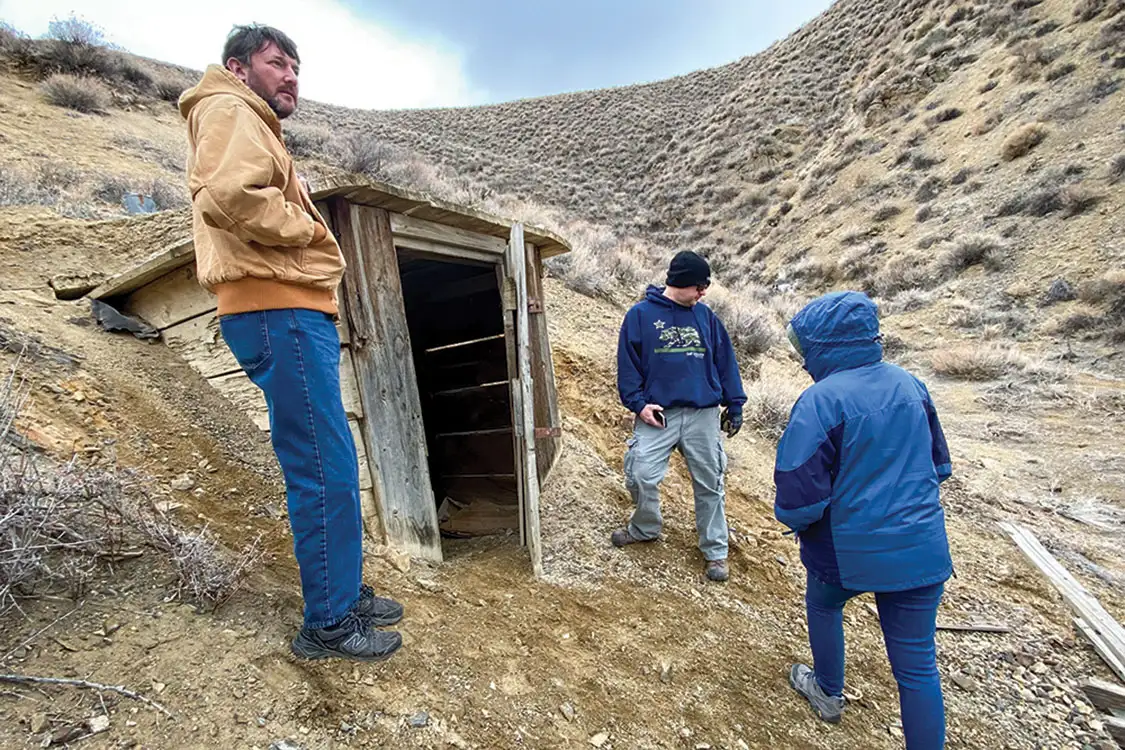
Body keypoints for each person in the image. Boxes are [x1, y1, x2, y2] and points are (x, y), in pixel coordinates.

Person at [179, 24, 403, 662]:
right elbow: (231, 195)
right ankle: (327, 625)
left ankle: (344, 592)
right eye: (276, 63)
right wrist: (307, 231)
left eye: (296, 68)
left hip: (286, 310)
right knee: (324, 470)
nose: (291, 77)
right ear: (239, 67)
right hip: (277, 308)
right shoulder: (228, 108)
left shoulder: (248, 118)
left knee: (331, 464)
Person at [774, 291, 952, 749]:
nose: (801, 360)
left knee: (824, 604)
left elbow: (799, 496)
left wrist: (792, 521)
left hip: (845, 552)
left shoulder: (820, 401)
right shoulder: (912, 385)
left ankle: (828, 691)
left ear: (824, 346)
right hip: (921, 547)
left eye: (804, 349)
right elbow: (940, 465)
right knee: (917, 666)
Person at [612, 250, 746, 582]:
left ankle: (715, 551)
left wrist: (736, 403)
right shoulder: (640, 316)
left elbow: (726, 363)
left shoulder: (707, 318)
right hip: (658, 414)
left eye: (706, 285)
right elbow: (628, 369)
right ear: (680, 282)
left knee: (710, 482)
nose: (704, 292)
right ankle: (645, 527)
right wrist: (639, 404)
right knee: (640, 473)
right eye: (699, 285)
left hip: (703, 413)